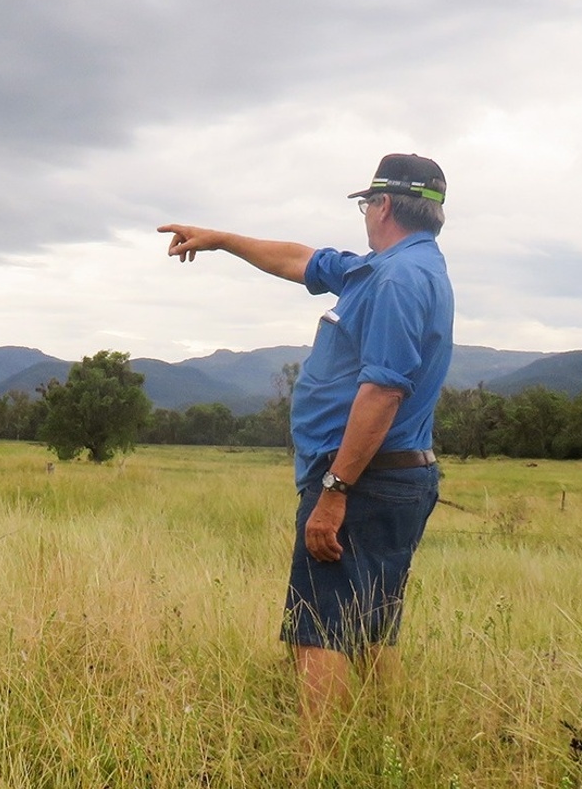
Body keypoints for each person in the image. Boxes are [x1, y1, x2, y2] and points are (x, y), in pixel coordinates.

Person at [158, 154, 454, 751]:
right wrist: (222, 240)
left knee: (319, 629)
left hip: (363, 480)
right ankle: (380, 747)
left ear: (383, 206)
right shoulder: (389, 269)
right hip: (393, 478)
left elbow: (382, 391)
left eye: (366, 205)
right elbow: (299, 259)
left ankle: (318, 763)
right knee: (371, 624)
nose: (365, 215)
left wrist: (335, 492)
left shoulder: (395, 281)